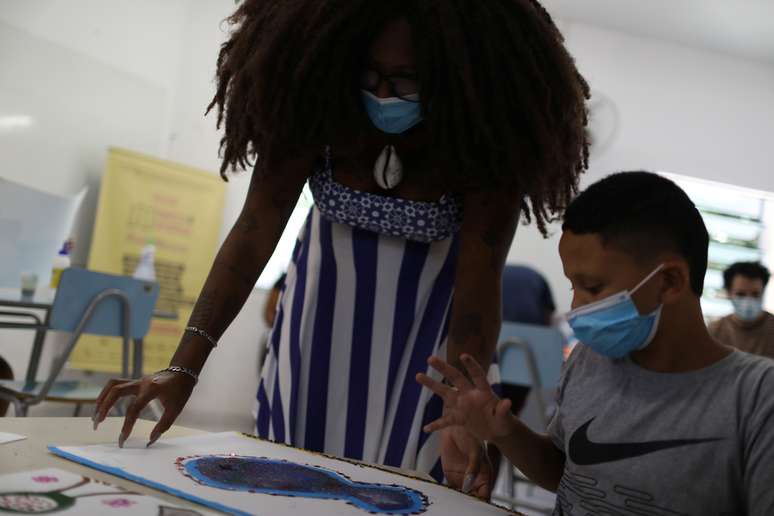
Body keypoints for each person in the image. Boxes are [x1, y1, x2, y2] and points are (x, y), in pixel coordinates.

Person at [94, 0, 590, 498]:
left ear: (452, 77)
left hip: (427, 357)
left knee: (406, 489)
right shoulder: (317, 115)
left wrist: (460, 408)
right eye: (369, 74)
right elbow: (252, 234)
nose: (382, 94)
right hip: (312, 339)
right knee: (284, 482)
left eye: (405, 80)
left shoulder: (484, 149)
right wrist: (184, 366)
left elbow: (478, 292)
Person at [417, 172, 774, 514]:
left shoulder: (757, 398)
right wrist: (504, 431)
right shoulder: (588, 359)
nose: (576, 307)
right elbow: (564, 473)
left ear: (669, 282)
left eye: (592, 287)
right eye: (573, 286)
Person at [500, 265, 556, 414]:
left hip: (496, 340)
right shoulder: (535, 275)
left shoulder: (493, 273)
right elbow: (548, 316)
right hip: (527, 342)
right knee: (515, 396)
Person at [709, 262, 774, 360]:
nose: (748, 301)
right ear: (728, 293)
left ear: (763, 292)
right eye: (741, 294)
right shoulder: (715, 332)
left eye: (755, 294)